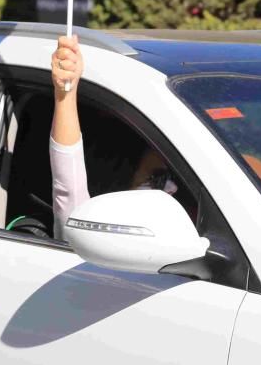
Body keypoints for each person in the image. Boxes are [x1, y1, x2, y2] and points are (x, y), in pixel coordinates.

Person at [48, 35, 178, 239]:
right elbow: (69, 189)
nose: (172, 188)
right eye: (157, 179)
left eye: (170, 177)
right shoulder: (88, 238)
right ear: (117, 180)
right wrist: (66, 93)